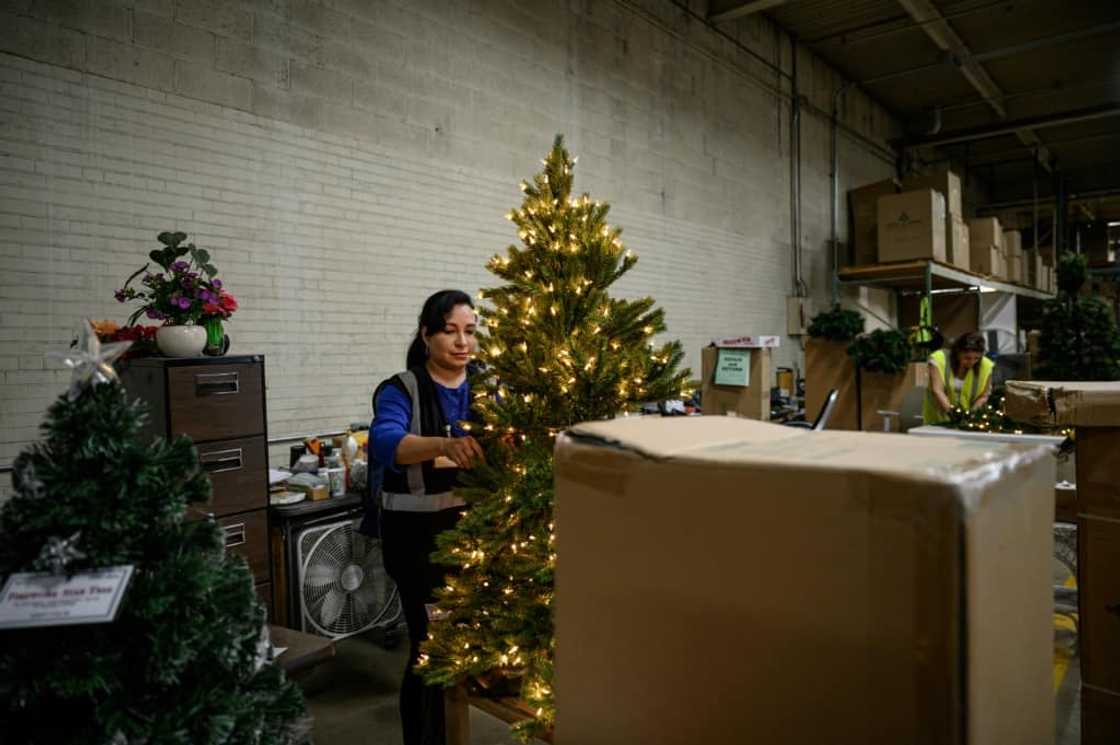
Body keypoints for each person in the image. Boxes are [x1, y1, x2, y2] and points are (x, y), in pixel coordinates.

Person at [367, 289, 485, 745]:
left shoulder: (486, 385)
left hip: (478, 534)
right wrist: (442, 444)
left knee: (467, 647)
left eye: (470, 332)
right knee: (430, 646)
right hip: (418, 541)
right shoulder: (402, 388)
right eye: (450, 331)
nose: (462, 342)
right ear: (426, 335)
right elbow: (386, 442)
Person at [923, 331, 994, 425]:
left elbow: (984, 396)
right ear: (957, 352)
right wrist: (952, 413)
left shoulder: (987, 366)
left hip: (966, 423)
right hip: (937, 419)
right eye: (967, 358)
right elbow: (937, 390)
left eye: (976, 358)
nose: (972, 362)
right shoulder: (939, 359)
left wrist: (971, 414)